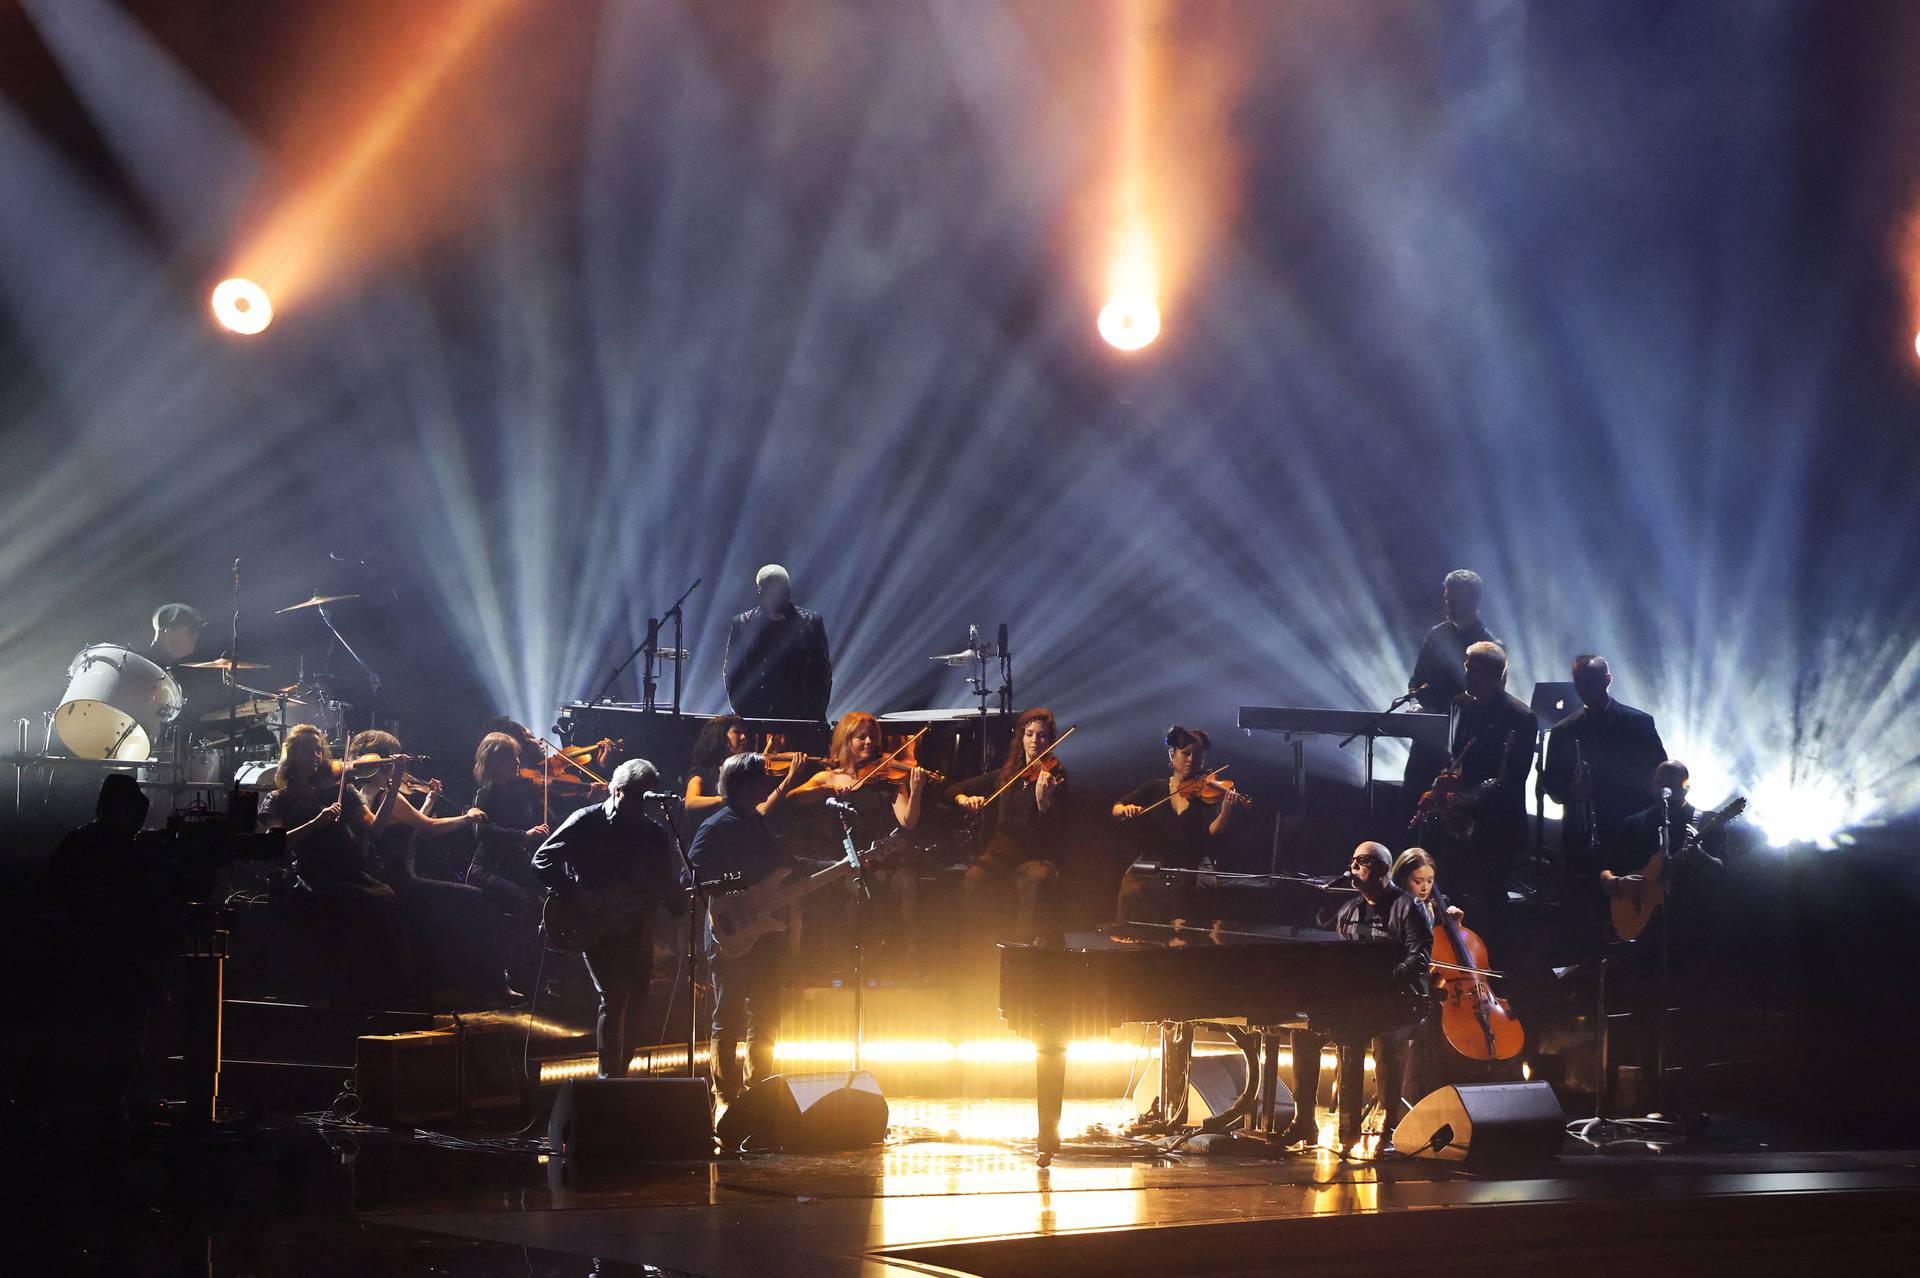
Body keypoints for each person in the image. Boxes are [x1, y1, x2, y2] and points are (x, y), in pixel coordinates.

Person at [533, 759, 685, 1078]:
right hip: (593, 924)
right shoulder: (586, 821)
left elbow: (665, 886)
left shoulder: (654, 834)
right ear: (617, 791)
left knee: (638, 1000)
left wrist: (684, 897)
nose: (641, 806)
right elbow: (542, 859)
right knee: (615, 996)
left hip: (636, 927)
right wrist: (578, 894)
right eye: (636, 797)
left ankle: (621, 1075)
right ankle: (608, 1078)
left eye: (647, 797)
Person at [258, 725, 416, 1003]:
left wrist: (392, 791)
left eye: (319, 748)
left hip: (348, 870)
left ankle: (388, 990)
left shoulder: (340, 791)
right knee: (367, 903)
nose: (317, 754)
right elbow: (276, 842)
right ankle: (354, 990)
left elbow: (376, 829)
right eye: (309, 748)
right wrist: (316, 822)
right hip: (312, 873)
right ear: (292, 754)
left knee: (386, 896)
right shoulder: (279, 799)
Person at [1286, 843, 1428, 1149]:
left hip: (1400, 998)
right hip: (1356, 1000)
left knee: (1385, 1040)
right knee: (1303, 1034)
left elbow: (1419, 960)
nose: (1354, 867)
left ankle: (1390, 1125)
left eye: (1362, 862)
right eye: (1352, 860)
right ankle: (1304, 1121)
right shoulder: (1349, 909)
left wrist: (1383, 982)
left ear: (1383, 869)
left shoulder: (1409, 907)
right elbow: (1338, 958)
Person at [689, 753, 802, 1101]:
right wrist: (737, 893)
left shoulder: (758, 823)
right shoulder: (716, 827)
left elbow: (790, 866)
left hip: (763, 932)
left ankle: (758, 1092)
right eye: (762, 778)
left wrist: (843, 864)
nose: (768, 783)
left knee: (766, 1013)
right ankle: (725, 1095)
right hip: (730, 931)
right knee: (730, 1014)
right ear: (745, 784)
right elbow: (690, 876)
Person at [788, 712, 930, 972]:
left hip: (881, 858)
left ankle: (908, 958)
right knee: (857, 891)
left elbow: (907, 821)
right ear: (845, 740)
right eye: (861, 737)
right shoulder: (828, 777)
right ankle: (848, 962)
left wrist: (916, 791)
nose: (869, 742)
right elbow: (794, 798)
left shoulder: (886, 778)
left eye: (872, 737)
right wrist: (827, 791)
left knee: (907, 882)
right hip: (840, 862)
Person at [1419, 640, 1535, 938]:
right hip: (1457, 822)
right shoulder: (1460, 704)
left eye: (1470, 669)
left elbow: (1512, 779)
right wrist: (1441, 789)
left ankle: (1488, 967)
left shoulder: (1520, 717)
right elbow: (1453, 757)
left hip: (1495, 825)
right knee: (1447, 893)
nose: (1466, 674)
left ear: (1491, 673)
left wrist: (1464, 792)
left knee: (1490, 902)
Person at [946, 708, 1072, 944]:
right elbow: (953, 789)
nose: (1036, 741)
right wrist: (966, 800)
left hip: (1036, 854)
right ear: (1021, 737)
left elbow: (1056, 830)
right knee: (973, 879)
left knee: (1038, 879)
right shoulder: (1005, 776)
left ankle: (1023, 952)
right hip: (1002, 853)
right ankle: (978, 947)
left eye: (1042, 736)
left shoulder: (1056, 776)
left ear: (1050, 740)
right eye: (1030, 734)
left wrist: (1044, 803)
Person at [1111, 725, 1251, 924]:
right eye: (1186, 754)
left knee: (1191, 897)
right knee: (1132, 889)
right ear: (1172, 755)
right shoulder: (1155, 787)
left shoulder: (1207, 791)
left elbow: (1211, 831)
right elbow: (1117, 806)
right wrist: (1125, 810)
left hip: (1193, 860)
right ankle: (1130, 935)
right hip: (1155, 858)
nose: (1192, 760)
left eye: (1199, 755)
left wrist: (1227, 810)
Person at [1541, 655, 1668, 858]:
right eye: (1578, 681)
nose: (1583, 688)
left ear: (1607, 680)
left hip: (1630, 832)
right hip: (1580, 837)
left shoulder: (1638, 723)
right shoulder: (1563, 730)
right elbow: (1551, 783)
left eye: (1590, 680)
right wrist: (1571, 791)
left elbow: (1659, 774)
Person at [1403, 571, 1500, 803]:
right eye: (1447, 599)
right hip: (1426, 741)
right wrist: (1416, 703)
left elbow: (1489, 702)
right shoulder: (1436, 635)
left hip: (1462, 747)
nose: (1448, 605)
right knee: (1412, 799)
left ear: (1474, 601)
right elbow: (1416, 682)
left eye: (1454, 600)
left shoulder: (1490, 646)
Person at [467, 732, 552, 994]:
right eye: (510, 757)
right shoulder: (486, 794)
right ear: (494, 762)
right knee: (523, 904)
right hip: (486, 870)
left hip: (513, 868)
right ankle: (507, 975)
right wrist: (524, 835)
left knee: (545, 904)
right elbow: (483, 833)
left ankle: (532, 976)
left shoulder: (519, 793)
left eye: (517, 756)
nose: (517, 762)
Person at [1389, 847, 1467, 1110]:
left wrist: (1454, 927)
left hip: (1428, 994)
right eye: (1418, 881)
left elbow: (1442, 958)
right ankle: (1406, 1104)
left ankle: (1439, 1105)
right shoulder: (1393, 907)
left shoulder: (1433, 910)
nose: (1424, 888)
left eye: (1430, 881)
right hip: (1399, 992)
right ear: (1402, 879)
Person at [722, 564, 832, 721]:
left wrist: (814, 712)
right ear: (760, 591)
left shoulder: (811, 623)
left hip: (801, 716)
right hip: (755, 715)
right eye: (771, 591)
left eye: (782, 590)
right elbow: (732, 671)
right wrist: (744, 712)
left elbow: (822, 672)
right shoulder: (743, 624)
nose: (778, 596)